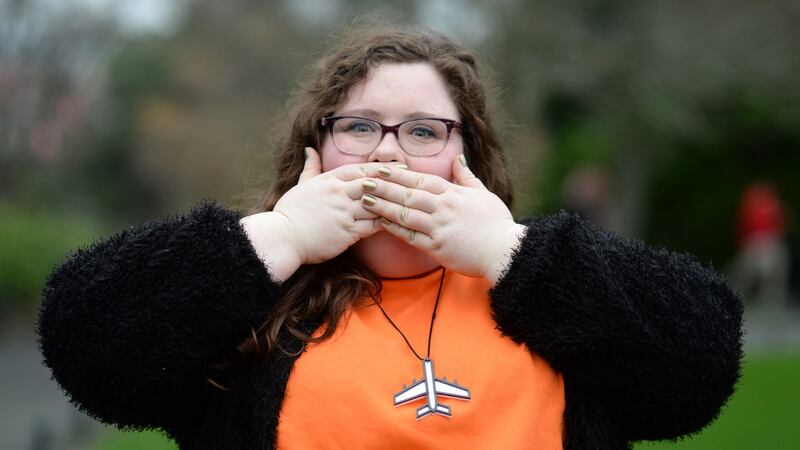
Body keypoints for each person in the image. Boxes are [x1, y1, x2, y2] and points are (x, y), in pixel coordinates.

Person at [37, 25, 743, 450]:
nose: (388, 154)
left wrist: (512, 254)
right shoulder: (254, 295)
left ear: (467, 153)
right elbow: (82, 343)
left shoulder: (542, 282)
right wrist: (272, 239)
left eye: (423, 131)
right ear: (319, 145)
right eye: (360, 126)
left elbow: (703, 364)